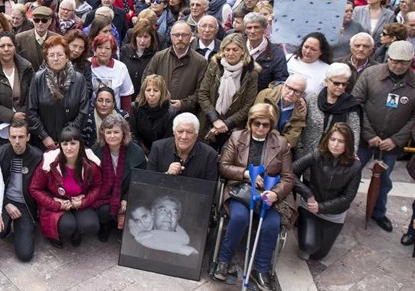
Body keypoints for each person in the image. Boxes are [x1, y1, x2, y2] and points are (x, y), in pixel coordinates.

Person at [214, 104, 295, 291]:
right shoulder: (237, 137)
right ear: (250, 123)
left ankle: (261, 269)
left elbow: (288, 177)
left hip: (269, 193)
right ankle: (224, 259)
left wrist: (275, 193)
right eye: (256, 123)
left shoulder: (281, 143)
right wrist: (244, 174)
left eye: (265, 125)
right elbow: (223, 166)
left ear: (271, 125)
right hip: (242, 190)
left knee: (271, 224)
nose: (260, 128)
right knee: (239, 218)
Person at [352, 41, 415, 232]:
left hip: (391, 143)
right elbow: (356, 103)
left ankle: (378, 212)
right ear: (388, 58)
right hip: (365, 139)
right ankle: (341, 205)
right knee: (352, 172)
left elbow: (414, 117)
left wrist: (396, 139)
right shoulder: (370, 74)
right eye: (395, 61)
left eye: (403, 63)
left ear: (410, 62)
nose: (398, 66)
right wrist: (369, 134)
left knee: (385, 178)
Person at [293, 123, 361, 261]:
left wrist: (322, 207)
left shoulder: (355, 165)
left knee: (319, 255)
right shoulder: (317, 154)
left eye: (341, 141)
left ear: (348, 144)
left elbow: (348, 196)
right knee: (308, 246)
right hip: (310, 207)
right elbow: (291, 172)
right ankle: (304, 228)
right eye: (333, 139)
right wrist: (308, 194)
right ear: (327, 139)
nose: (335, 144)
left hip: (334, 213)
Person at [29, 126, 102, 248]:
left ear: (80, 144)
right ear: (60, 145)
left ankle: (77, 232)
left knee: (91, 225)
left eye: (73, 143)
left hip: (78, 202)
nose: (69, 148)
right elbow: (34, 188)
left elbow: (97, 186)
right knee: (67, 226)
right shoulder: (49, 163)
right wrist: (55, 203)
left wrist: (83, 202)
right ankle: (55, 235)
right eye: (65, 143)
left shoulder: (90, 164)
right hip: (56, 202)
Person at [197, 33, 259, 149]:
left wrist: (227, 124)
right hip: (208, 120)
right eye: (227, 49)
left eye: (235, 49)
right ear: (222, 50)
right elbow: (203, 93)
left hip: (234, 126)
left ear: (243, 51)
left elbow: (248, 104)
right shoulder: (215, 65)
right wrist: (215, 119)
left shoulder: (251, 72)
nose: (231, 53)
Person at [27, 36, 90, 150]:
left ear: (67, 57)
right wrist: (45, 137)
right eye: (51, 55)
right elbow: (31, 111)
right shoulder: (38, 78)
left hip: (71, 142)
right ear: (46, 58)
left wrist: (66, 137)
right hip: (43, 143)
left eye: (60, 55)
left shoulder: (79, 79)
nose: (56, 59)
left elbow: (83, 111)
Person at [91, 114, 146, 242]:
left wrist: (126, 198)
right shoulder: (96, 150)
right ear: (103, 133)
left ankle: (124, 227)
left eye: (116, 132)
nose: (112, 136)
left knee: (133, 210)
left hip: (129, 193)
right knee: (103, 210)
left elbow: (140, 181)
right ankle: (106, 225)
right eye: (108, 132)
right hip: (105, 194)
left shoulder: (136, 152)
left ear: (124, 133)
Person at [0, 120, 43, 262]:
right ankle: (8, 225)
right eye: (13, 137)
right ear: (8, 137)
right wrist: (5, 203)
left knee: (25, 255)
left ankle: (23, 227)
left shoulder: (37, 156)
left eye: (21, 137)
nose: (17, 141)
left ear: (28, 137)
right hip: (5, 200)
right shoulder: (0, 153)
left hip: (25, 204)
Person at [294, 63, 362, 160]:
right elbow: (300, 123)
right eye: (336, 83)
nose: (340, 87)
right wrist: (299, 148)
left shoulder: (351, 105)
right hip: (307, 154)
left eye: (344, 84)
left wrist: (351, 153)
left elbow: (354, 132)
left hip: (335, 158)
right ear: (326, 81)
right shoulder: (312, 99)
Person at [142, 21, 208, 113]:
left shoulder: (201, 62)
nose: (180, 38)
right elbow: (146, 82)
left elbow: (201, 91)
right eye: (176, 35)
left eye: (184, 35)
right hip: (159, 112)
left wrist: (183, 104)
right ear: (171, 36)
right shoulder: (159, 57)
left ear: (191, 37)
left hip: (186, 115)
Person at [0, 33, 34, 148]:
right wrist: (11, 116)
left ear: (15, 47)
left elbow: (33, 96)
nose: (6, 49)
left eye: (10, 45)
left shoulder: (27, 68)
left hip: (22, 125)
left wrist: (21, 114)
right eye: (2, 46)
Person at [147, 112, 218, 181]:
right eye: (180, 131)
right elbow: (148, 181)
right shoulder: (158, 148)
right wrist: (166, 174)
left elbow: (210, 189)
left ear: (196, 134)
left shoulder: (210, 155)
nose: (184, 137)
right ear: (174, 132)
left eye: (189, 132)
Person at [254, 74, 308, 148]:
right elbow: (256, 120)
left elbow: (294, 133)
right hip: (257, 138)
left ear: (302, 94)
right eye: (289, 88)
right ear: (283, 85)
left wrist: (283, 145)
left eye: (297, 91)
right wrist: (279, 140)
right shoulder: (266, 95)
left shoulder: (300, 108)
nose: (291, 93)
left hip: (281, 147)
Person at [130, 74, 176, 154]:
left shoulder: (170, 112)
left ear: (162, 92)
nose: (151, 94)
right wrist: (142, 150)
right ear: (143, 92)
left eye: (155, 90)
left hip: (161, 152)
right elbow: (133, 134)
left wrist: (155, 154)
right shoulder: (135, 108)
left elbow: (168, 139)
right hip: (139, 150)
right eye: (148, 90)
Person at [243, 12, 288, 91]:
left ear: (264, 29)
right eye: (249, 28)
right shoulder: (238, 46)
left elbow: (280, 82)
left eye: (256, 27)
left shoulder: (277, 54)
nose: (252, 31)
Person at [90, 32, 134, 112]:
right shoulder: (87, 65)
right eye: (100, 47)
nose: (103, 51)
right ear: (95, 49)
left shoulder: (121, 67)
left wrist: (126, 118)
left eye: (107, 48)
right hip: (90, 114)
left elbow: (126, 96)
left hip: (114, 114)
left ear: (112, 51)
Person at [15, 5, 60, 71]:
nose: (40, 23)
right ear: (32, 20)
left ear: (50, 21)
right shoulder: (20, 38)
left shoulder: (58, 39)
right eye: (36, 20)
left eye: (44, 20)